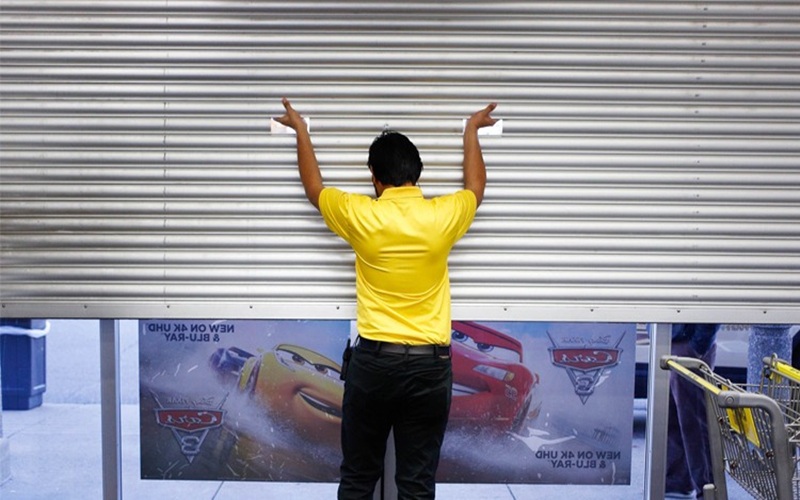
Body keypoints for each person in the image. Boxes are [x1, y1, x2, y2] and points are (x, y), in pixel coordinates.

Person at [275, 98, 497, 499]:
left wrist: (301, 131)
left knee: (359, 479)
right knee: (416, 485)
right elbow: (476, 188)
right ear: (417, 174)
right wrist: (471, 130)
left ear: (375, 178)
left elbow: (314, 189)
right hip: (430, 369)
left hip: (375, 367)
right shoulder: (442, 216)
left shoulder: (363, 215)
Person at [665, 323, 719, 499]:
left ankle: (708, 488)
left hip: (686, 343)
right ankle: (678, 481)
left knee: (694, 422)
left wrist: (697, 347)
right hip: (671, 339)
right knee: (672, 417)